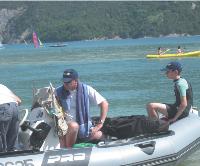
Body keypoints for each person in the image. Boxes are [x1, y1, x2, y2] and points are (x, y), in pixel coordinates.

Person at [55, 69, 109, 148]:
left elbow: (104, 104)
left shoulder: (86, 89)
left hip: (84, 128)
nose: (65, 84)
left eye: (68, 82)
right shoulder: (57, 92)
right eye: (64, 81)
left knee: (100, 135)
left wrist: (100, 124)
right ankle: (68, 150)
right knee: (74, 126)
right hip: (67, 128)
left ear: (75, 81)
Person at [0, 84, 21, 152]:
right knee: (13, 138)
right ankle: (14, 153)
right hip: (14, 106)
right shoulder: (2, 86)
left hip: (2, 108)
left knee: (2, 138)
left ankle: (3, 154)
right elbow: (19, 100)